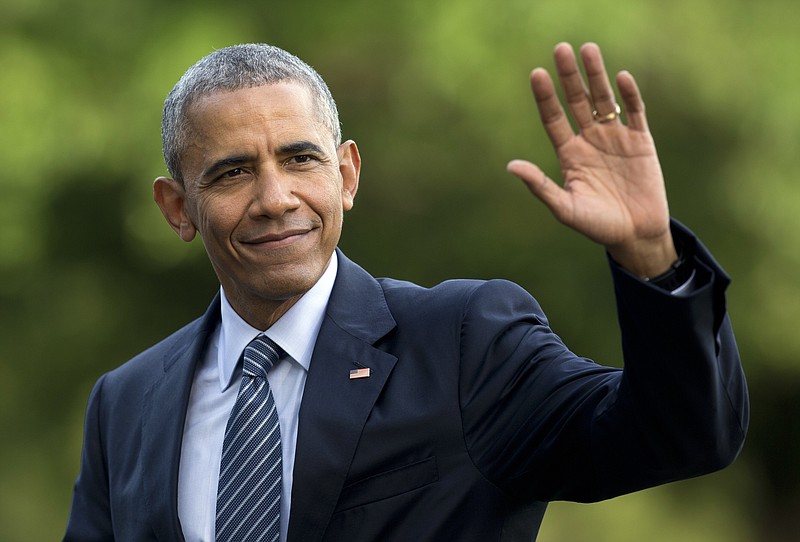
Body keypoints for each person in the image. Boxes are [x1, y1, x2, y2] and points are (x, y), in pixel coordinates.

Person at [64, 41, 748, 541]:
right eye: (232, 173)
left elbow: (680, 437)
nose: (276, 199)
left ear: (347, 174)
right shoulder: (126, 401)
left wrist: (652, 257)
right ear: (177, 208)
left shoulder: (463, 340)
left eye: (300, 159)